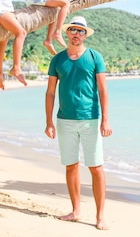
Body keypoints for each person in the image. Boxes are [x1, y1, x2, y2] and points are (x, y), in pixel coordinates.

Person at [44, 16, 112, 230]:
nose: (76, 34)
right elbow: (50, 92)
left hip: (90, 120)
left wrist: (105, 120)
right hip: (64, 120)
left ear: (85, 35)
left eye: (80, 31)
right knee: (71, 166)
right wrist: (48, 122)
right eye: (73, 30)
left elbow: (102, 90)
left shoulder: (94, 57)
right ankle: (75, 211)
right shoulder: (57, 60)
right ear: (67, 33)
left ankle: (100, 216)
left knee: (96, 167)